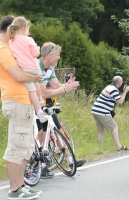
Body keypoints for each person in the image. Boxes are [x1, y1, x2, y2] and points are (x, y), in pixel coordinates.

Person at [0, 15, 41, 199]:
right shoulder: (2, 50)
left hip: (22, 102)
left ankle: (21, 186)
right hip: (16, 102)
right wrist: (37, 77)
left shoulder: (6, 47)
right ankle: (14, 189)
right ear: (11, 30)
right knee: (15, 147)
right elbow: (19, 76)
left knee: (25, 147)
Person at [36, 42, 85, 178]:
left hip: (45, 105)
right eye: (57, 55)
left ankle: (49, 164)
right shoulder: (38, 67)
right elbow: (43, 93)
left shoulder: (50, 69)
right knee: (41, 134)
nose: (59, 58)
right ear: (49, 55)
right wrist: (64, 89)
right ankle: (36, 166)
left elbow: (56, 85)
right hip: (33, 103)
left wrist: (66, 85)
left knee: (52, 131)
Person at [7, 16, 47, 124]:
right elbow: (36, 54)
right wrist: (37, 49)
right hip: (34, 67)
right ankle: (40, 99)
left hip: (23, 69)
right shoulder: (29, 39)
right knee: (36, 82)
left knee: (31, 90)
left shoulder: (11, 41)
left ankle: (38, 110)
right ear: (25, 28)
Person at [91, 76, 129, 151]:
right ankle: (118, 147)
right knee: (114, 127)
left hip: (95, 110)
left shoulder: (109, 87)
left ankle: (99, 149)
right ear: (120, 83)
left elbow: (117, 99)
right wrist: (125, 92)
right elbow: (120, 102)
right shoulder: (114, 90)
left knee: (101, 131)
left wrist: (122, 92)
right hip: (102, 112)